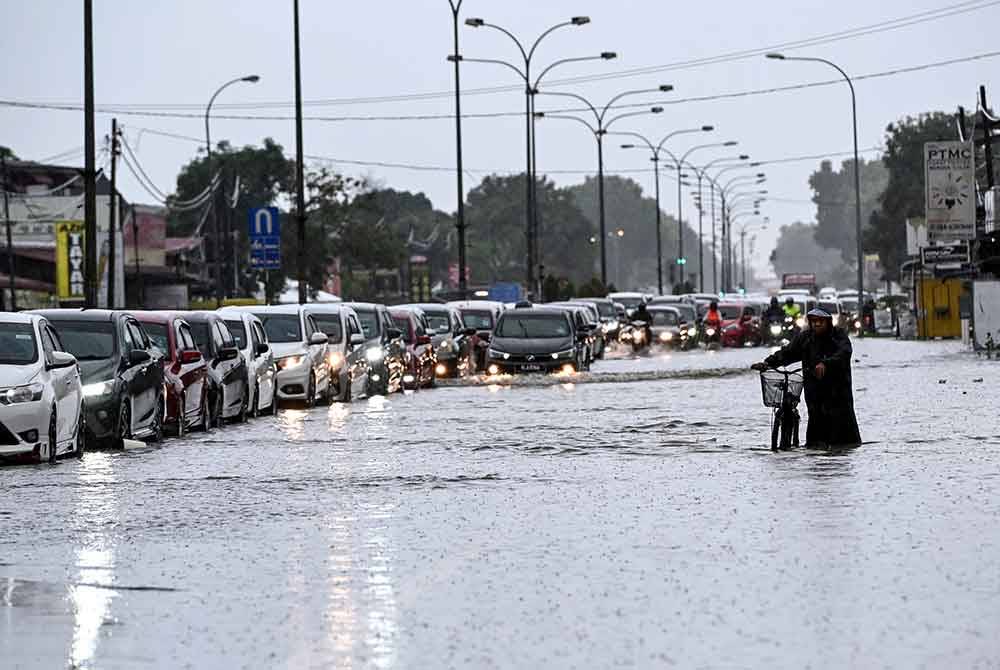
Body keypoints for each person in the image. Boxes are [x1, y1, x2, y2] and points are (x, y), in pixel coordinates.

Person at [752, 308, 861, 448]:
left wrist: (825, 364)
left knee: (841, 432)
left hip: (837, 391)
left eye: (820, 321)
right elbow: (788, 352)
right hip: (814, 391)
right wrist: (768, 363)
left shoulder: (838, 336)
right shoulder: (805, 338)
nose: (817, 325)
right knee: (815, 425)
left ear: (827, 322)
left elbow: (843, 353)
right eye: (814, 322)